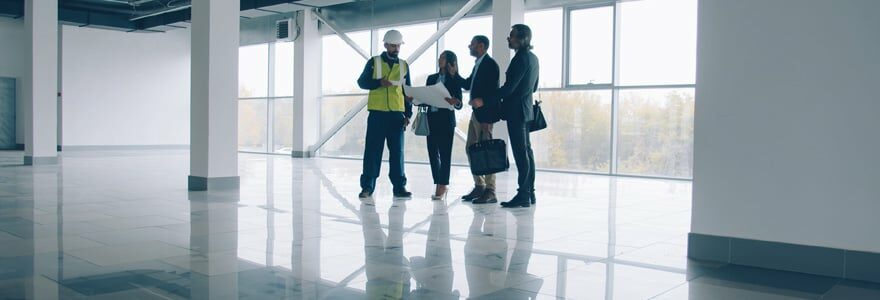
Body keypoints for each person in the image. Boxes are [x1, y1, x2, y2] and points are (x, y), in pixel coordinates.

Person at [473, 25, 539, 208]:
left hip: (516, 112)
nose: (508, 39)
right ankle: (530, 193)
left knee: (520, 153)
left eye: (511, 36)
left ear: (521, 38)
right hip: (526, 111)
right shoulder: (533, 59)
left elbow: (509, 89)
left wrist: (484, 100)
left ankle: (523, 194)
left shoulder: (520, 59)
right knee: (527, 152)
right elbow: (533, 88)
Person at [356, 30, 414, 199]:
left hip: (396, 115)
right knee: (372, 152)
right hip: (377, 115)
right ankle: (367, 187)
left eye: (398, 46)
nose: (396, 48)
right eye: (393, 45)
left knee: (397, 152)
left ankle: (399, 187)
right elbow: (361, 82)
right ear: (386, 45)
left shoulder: (404, 65)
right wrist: (379, 83)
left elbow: (407, 91)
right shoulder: (374, 62)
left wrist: (407, 114)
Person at [418, 51, 465, 200]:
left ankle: (443, 184)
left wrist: (455, 101)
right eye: (440, 57)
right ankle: (438, 181)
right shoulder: (431, 78)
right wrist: (417, 101)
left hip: (446, 120)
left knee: (445, 154)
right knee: (432, 153)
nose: (440, 59)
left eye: (443, 57)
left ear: (450, 61)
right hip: (431, 119)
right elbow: (425, 98)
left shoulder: (454, 79)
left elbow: (459, 103)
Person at [460, 35, 501, 204]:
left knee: (488, 151)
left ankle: (490, 190)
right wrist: (454, 74)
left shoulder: (490, 65)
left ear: (481, 46)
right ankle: (479, 185)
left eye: (473, 44)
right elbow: (468, 85)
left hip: (486, 114)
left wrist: (483, 103)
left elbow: (494, 92)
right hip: (476, 113)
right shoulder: (477, 65)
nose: (469, 46)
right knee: (471, 147)